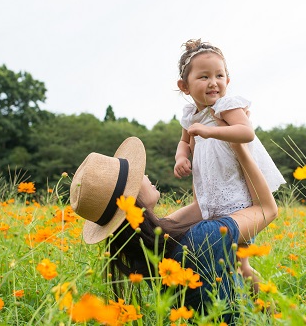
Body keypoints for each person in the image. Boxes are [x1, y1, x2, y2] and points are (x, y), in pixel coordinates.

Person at [70, 136, 278, 324]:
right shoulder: (201, 239)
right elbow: (266, 209)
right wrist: (239, 149)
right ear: (131, 200)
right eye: (137, 174)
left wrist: (197, 150)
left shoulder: (146, 251)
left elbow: (201, 207)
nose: (145, 174)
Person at [173, 39, 286, 291]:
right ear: (185, 86)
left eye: (219, 75)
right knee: (227, 263)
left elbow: (246, 132)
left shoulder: (226, 106)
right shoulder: (190, 116)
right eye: (203, 77)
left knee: (240, 264)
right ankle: (234, 301)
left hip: (238, 198)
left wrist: (211, 132)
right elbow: (184, 142)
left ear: (228, 80)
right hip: (212, 196)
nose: (214, 82)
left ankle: (266, 304)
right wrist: (181, 158)